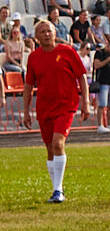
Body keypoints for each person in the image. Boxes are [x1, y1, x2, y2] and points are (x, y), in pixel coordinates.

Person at [22, 19, 89, 203]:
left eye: (49, 31)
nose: (46, 34)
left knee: (58, 143)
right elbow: (28, 86)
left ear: (55, 33)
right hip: (44, 107)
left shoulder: (67, 51)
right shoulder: (34, 58)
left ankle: (58, 190)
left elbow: (82, 77)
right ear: (36, 37)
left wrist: (86, 101)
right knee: (50, 149)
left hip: (66, 105)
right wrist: (26, 111)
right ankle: (56, 188)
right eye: (42, 31)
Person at [92, 36, 110, 133]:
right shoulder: (99, 53)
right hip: (102, 81)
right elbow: (97, 65)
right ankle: (100, 124)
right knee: (102, 104)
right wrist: (107, 60)